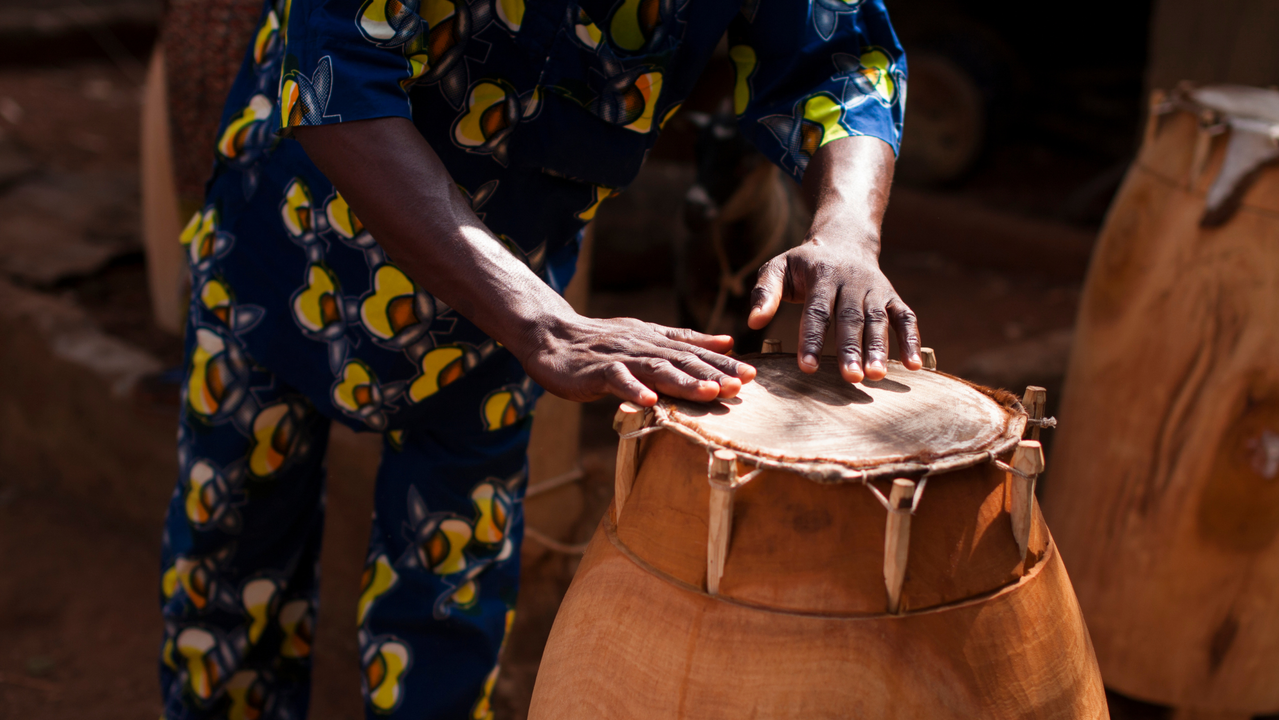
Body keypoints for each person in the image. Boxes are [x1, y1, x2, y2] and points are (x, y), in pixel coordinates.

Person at [158, 0, 921, 718]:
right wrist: (545, 329)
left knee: (446, 616)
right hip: (284, 256)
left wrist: (849, 226)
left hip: (497, 320)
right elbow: (337, 79)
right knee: (230, 571)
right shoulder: (534, 325)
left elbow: (839, 52)